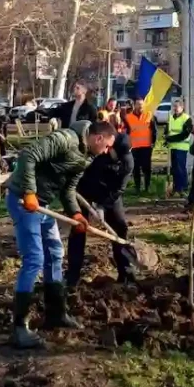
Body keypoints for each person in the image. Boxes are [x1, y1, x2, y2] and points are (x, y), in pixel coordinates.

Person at [5, 125, 89, 348]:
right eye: (108, 144)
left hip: (42, 206)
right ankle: (19, 328)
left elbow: (68, 190)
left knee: (55, 253)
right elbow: (29, 155)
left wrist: (76, 214)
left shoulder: (85, 157)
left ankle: (56, 314)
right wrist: (30, 191)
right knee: (34, 260)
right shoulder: (66, 139)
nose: (109, 149)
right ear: (99, 137)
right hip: (24, 201)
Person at [66, 120, 137, 287]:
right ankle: (72, 276)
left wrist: (102, 206)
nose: (105, 150)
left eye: (109, 148)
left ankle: (126, 274)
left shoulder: (125, 158)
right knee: (78, 227)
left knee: (120, 228)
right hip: (84, 186)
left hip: (109, 192)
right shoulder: (90, 142)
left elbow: (120, 187)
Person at [124, 97, 157, 193]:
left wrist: (153, 143)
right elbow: (126, 132)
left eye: (142, 104)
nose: (140, 106)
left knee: (147, 168)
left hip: (146, 147)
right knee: (136, 168)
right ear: (134, 105)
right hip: (134, 147)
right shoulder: (128, 117)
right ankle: (137, 188)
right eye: (138, 104)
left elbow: (154, 131)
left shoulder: (149, 116)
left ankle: (147, 187)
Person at [164, 98, 194, 196]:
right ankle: (176, 187)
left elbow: (185, 134)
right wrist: (166, 139)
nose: (176, 108)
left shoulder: (186, 118)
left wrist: (170, 139)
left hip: (182, 147)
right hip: (172, 147)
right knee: (174, 169)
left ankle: (182, 188)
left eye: (178, 107)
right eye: (174, 106)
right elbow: (167, 130)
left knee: (181, 168)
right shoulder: (171, 117)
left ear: (182, 107)